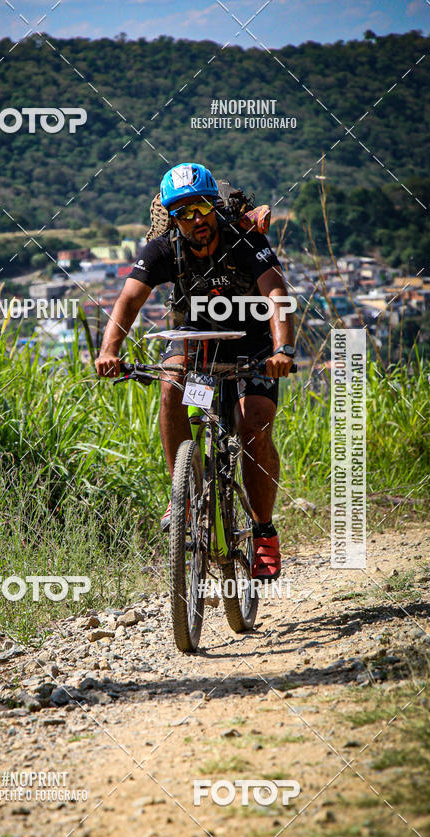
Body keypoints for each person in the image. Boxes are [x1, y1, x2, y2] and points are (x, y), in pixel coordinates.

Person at [95, 163, 294, 580]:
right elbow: (129, 301)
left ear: (214, 205)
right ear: (172, 218)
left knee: (253, 423)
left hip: (253, 339)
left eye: (202, 207)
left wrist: (283, 348)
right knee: (172, 384)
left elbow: (275, 292)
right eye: (183, 213)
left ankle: (264, 532)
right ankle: (182, 493)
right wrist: (109, 351)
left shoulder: (243, 236)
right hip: (197, 338)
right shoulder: (164, 248)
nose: (196, 219)